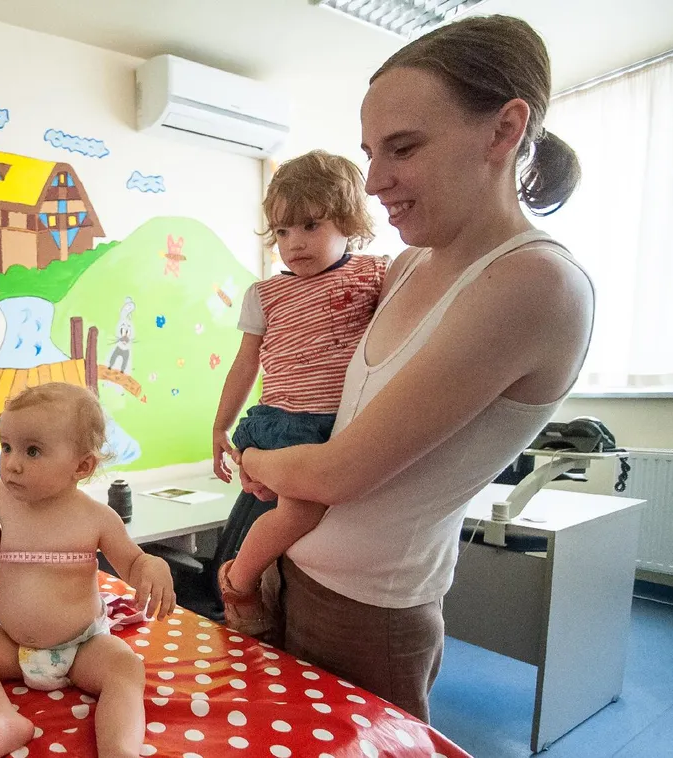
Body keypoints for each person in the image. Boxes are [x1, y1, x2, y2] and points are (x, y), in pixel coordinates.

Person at [226, 14, 594, 721]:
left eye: (403, 147)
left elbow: (339, 474)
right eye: (368, 151)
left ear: (502, 130)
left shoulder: (533, 283)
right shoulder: (406, 266)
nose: (373, 179)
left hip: (369, 609)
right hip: (299, 568)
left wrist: (253, 454)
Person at [0, 385, 175, 758]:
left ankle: (119, 749)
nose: (12, 462)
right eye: (6, 446)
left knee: (126, 667)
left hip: (81, 648)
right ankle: (3, 716)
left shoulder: (97, 518)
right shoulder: (4, 498)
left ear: (82, 466)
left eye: (33, 450)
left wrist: (152, 565)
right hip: (13, 645)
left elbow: (133, 562)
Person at [210, 150, 386, 636]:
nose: (295, 244)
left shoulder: (373, 274)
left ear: (349, 222)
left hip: (344, 422)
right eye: (283, 232)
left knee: (314, 510)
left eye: (311, 226)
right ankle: (238, 580)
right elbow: (246, 362)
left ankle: (256, 580)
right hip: (286, 422)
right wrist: (220, 426)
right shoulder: (265, 294)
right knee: (299, 511)